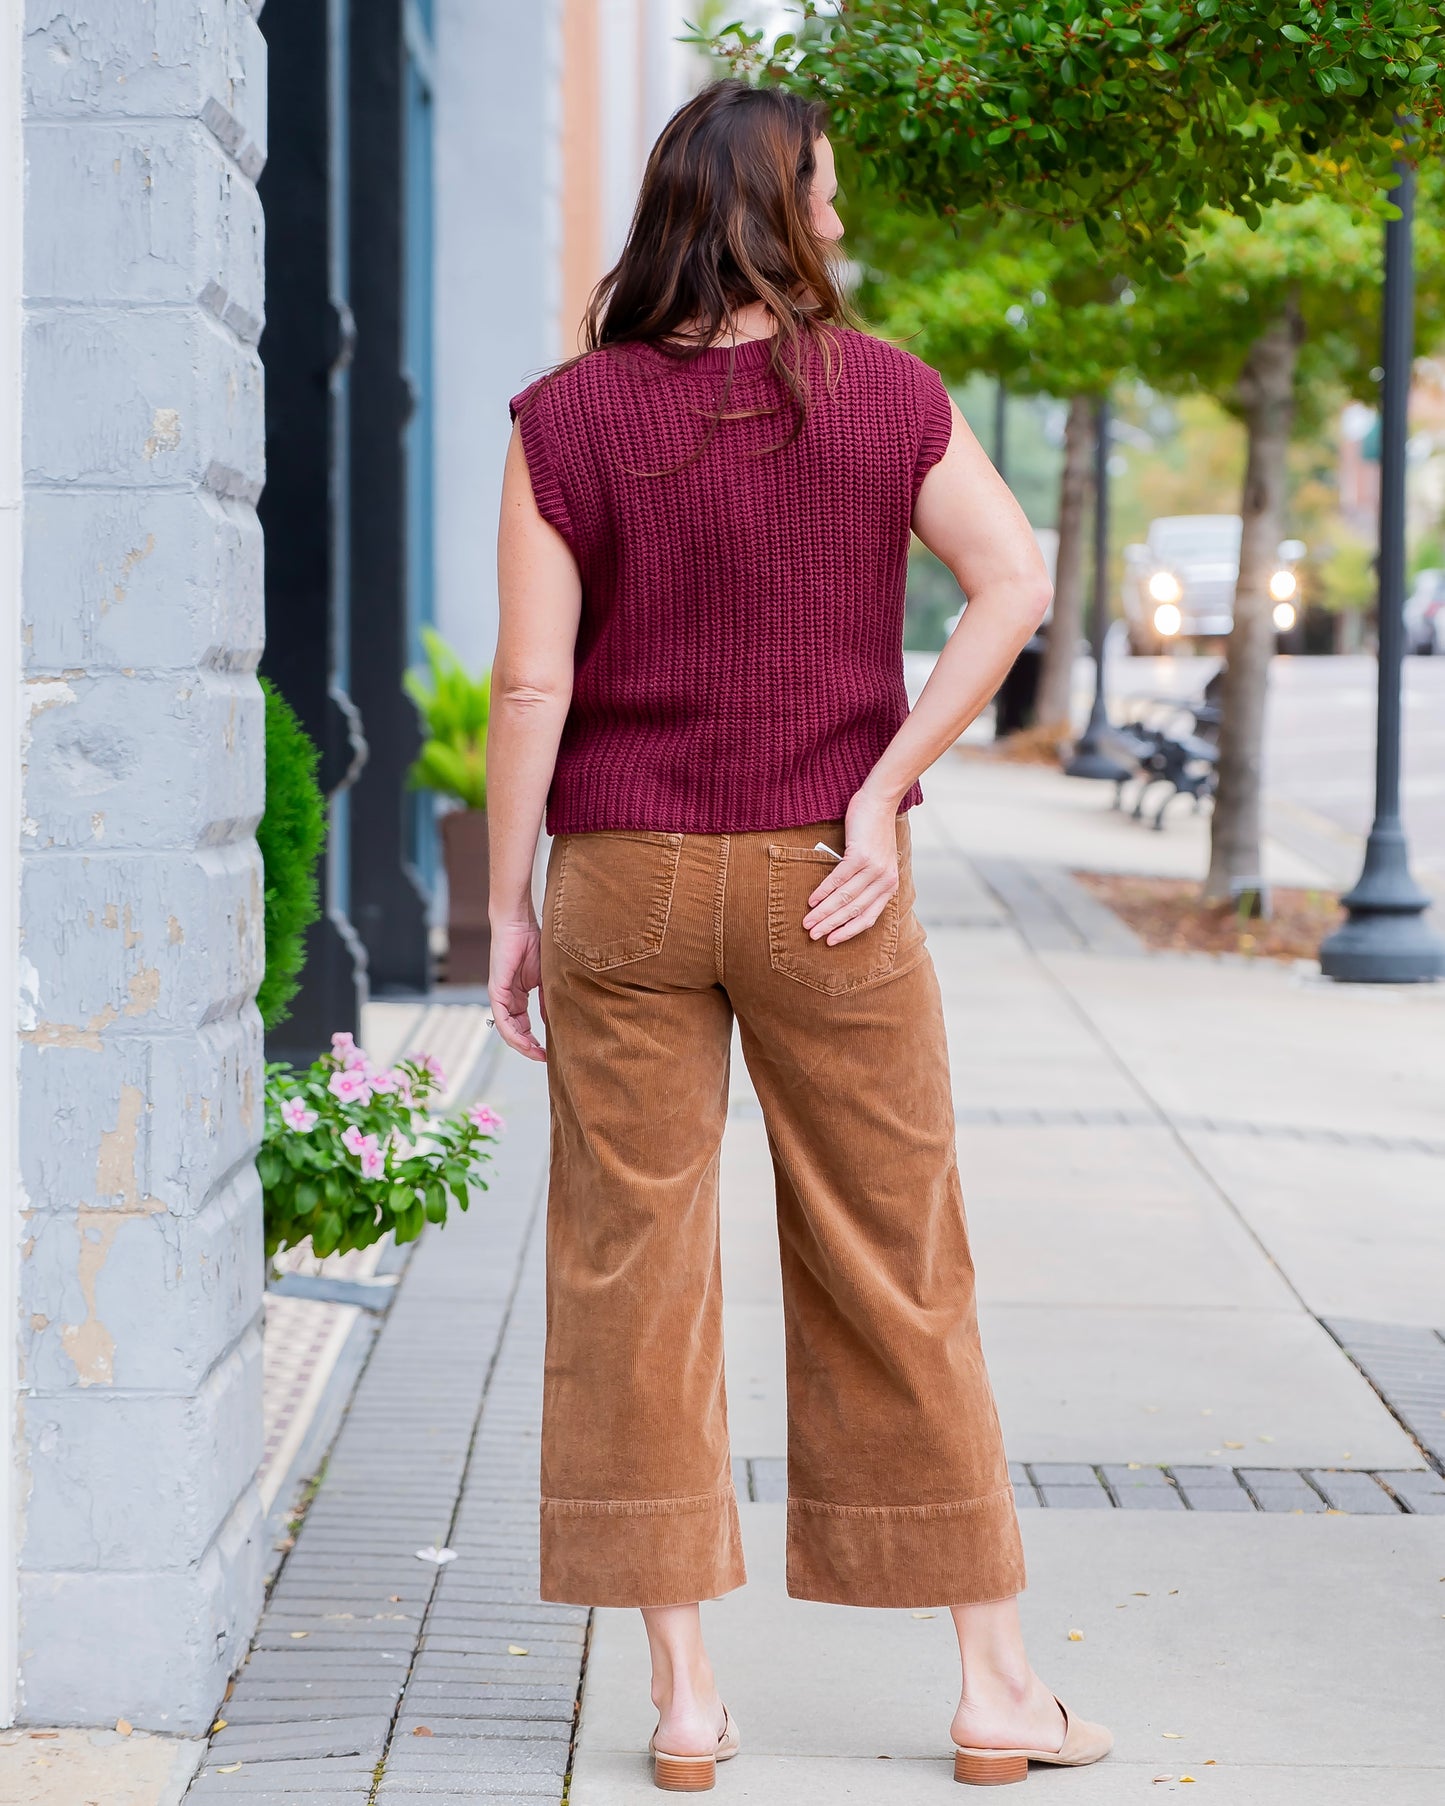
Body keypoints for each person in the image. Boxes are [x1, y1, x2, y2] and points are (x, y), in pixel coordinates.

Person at [485, 78, 1112, 1792]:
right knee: (896, 1255)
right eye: (824, 190)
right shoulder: (884, 394)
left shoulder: (566, 417)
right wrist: (882, 784)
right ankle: (994, 1689)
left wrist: (501, 907)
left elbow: (533, 682)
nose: (838, 218)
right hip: (829, 880)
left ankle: (685, 1705)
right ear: (778, 203)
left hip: (620, 876)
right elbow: (1012, 584)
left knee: (629, 1267)